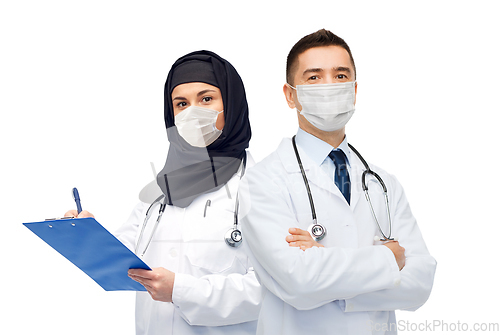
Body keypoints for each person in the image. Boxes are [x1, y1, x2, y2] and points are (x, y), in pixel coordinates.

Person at [238, 29, 437, 334]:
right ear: (290, 95)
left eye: (341, 76)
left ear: (355, 90)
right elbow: (299, 281)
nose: (329, 86)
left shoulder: (383, 183)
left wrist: (323, 265)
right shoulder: (262, 181)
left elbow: (420, 282)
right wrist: (388, 259)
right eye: (314, 77)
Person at [66, 50, 262, 334]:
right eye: (181, 103)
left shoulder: (262, 189)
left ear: (231, 105)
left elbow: (271, 288)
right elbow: (128, 256)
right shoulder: (159, 192)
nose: (193, 112)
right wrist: (87, 235)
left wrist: (181, 291)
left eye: (206, 99)